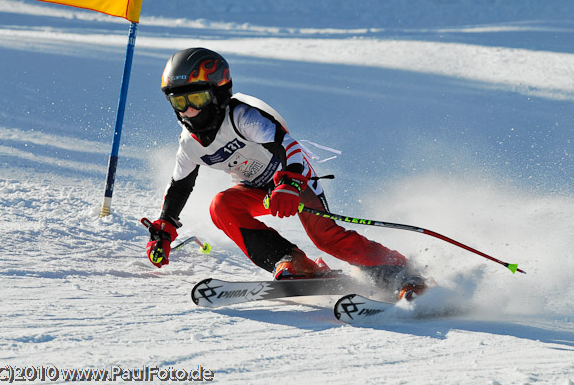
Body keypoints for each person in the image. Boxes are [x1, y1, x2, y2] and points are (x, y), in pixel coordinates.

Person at [144, 47, 425, 300]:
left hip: (295, 179)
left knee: (325, 236)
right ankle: (293, 261)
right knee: (221, 206)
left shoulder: (242, 117)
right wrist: (165, 229)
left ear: (218, 93)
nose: (190, 111)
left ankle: (401, 271)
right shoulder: (189, 144)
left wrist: (289, 184)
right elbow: (179, 186)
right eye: (179, 102)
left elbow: (288, 147)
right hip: (256, 189)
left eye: (196, 98)